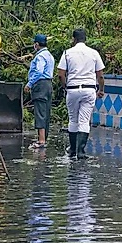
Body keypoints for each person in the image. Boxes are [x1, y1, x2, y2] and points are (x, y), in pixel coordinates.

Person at [58, 27, 106, 160]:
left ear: (74, 39)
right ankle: (81, 151)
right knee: (84, 120)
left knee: (73, 119)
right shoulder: (94, 53)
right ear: (85, 39)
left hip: (72, 89)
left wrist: (65, 87)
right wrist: (101, 90)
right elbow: (100, 76)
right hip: (89, 89)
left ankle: (72, 149)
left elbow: (61, 75)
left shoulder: (67, 53)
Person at [26, 34, 55, 150]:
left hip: (40, 85)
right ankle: (44, 138)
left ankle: (41, 140)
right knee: (46, 111)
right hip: (48, 84)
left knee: (40, 111)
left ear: (37, 44)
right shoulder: (49, 55)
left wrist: (30, 83)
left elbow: (39, 71)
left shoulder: (40, 57)